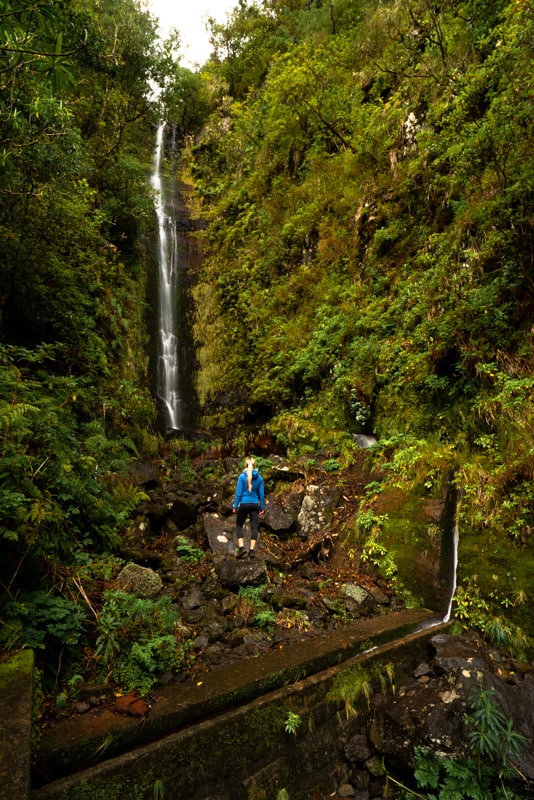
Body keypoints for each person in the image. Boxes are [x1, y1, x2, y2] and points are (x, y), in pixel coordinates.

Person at [232, 456, 265, 558]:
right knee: (254, 527)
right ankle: (251, 551)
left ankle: (241, 549)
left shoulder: (242, 477)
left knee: (239, 525)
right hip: (255, 504)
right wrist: (262, 507)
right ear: (255, 466)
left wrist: (235, 506)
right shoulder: (259, 478)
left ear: (245, 465)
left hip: (244, 504)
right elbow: (262, 495)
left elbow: (238, 493)